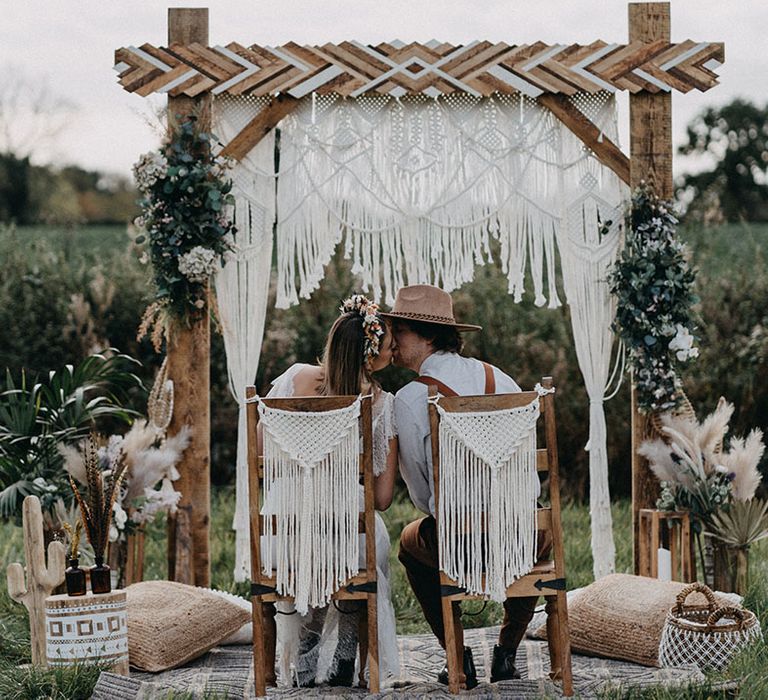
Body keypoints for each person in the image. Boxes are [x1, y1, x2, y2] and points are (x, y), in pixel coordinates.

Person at [382, 284, 549, 689]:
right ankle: (507, 651)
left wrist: (459, 513)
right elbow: (527, 468)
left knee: (409, 542)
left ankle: (457, 655)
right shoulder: (502, 379)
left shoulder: (408, 399)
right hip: (524, 535)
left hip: (458, 541)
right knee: (542, 529)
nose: (391, 341)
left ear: (423, 334)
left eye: (397, 331)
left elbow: (422, 496)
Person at [260, 294, 399, 688]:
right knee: (362, 541)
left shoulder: (296, 378)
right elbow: (383, 498)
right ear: (370, 355)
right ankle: (344, 654)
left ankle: (304, 657)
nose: (393, 353)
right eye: (388, 348)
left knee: (313, 537)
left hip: (283, 524)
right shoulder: (381, 403)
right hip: (343, 526)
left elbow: (260, 451)